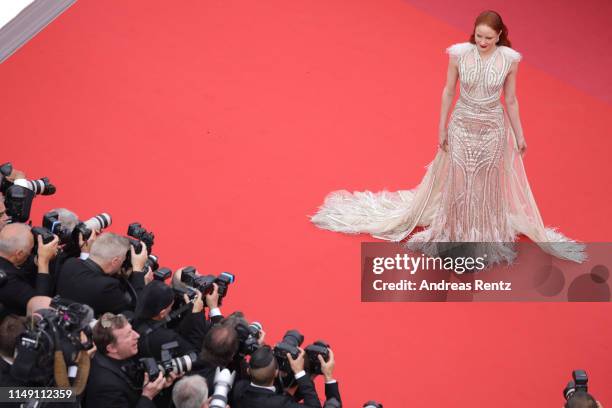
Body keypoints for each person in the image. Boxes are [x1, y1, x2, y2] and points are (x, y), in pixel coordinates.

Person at [311, 10, 586, 265]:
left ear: (500, 35)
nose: (482, 42)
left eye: (489, 37)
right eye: (479, 36)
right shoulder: (458, 55)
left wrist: (520, 134)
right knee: (459, 178)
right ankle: (454, 233)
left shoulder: (510, 62)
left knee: (484, 181)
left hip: (492, 129)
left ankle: (481, 235)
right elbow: (448, 91)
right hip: (461, 125)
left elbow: (511, 100)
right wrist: (442, 127)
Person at [86, 313, 177, 408]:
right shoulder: (106, 387)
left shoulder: (121, 355)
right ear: (112, 348)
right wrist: (147, 396)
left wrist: (158, 385)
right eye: (128, 335)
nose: (137, 335)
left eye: (132, 330)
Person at [55, 232, 150, 316]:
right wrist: (137, 271)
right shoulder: (107, 286)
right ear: (115, 261)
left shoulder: (70, 263)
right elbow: (137, 310)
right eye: (123, 260)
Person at [232, 345, 340, 408]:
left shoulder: (238, 388)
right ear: (276, 373)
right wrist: (300, 372)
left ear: (248, 371)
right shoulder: (281, 404)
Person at [0, 223, 58, 315]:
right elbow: (40, 306)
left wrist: (36, 260)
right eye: (30, 250)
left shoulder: (6, 258)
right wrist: (43, 262)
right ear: (19, 254)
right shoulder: (8, 282)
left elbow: (20, 264)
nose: (31, 253)